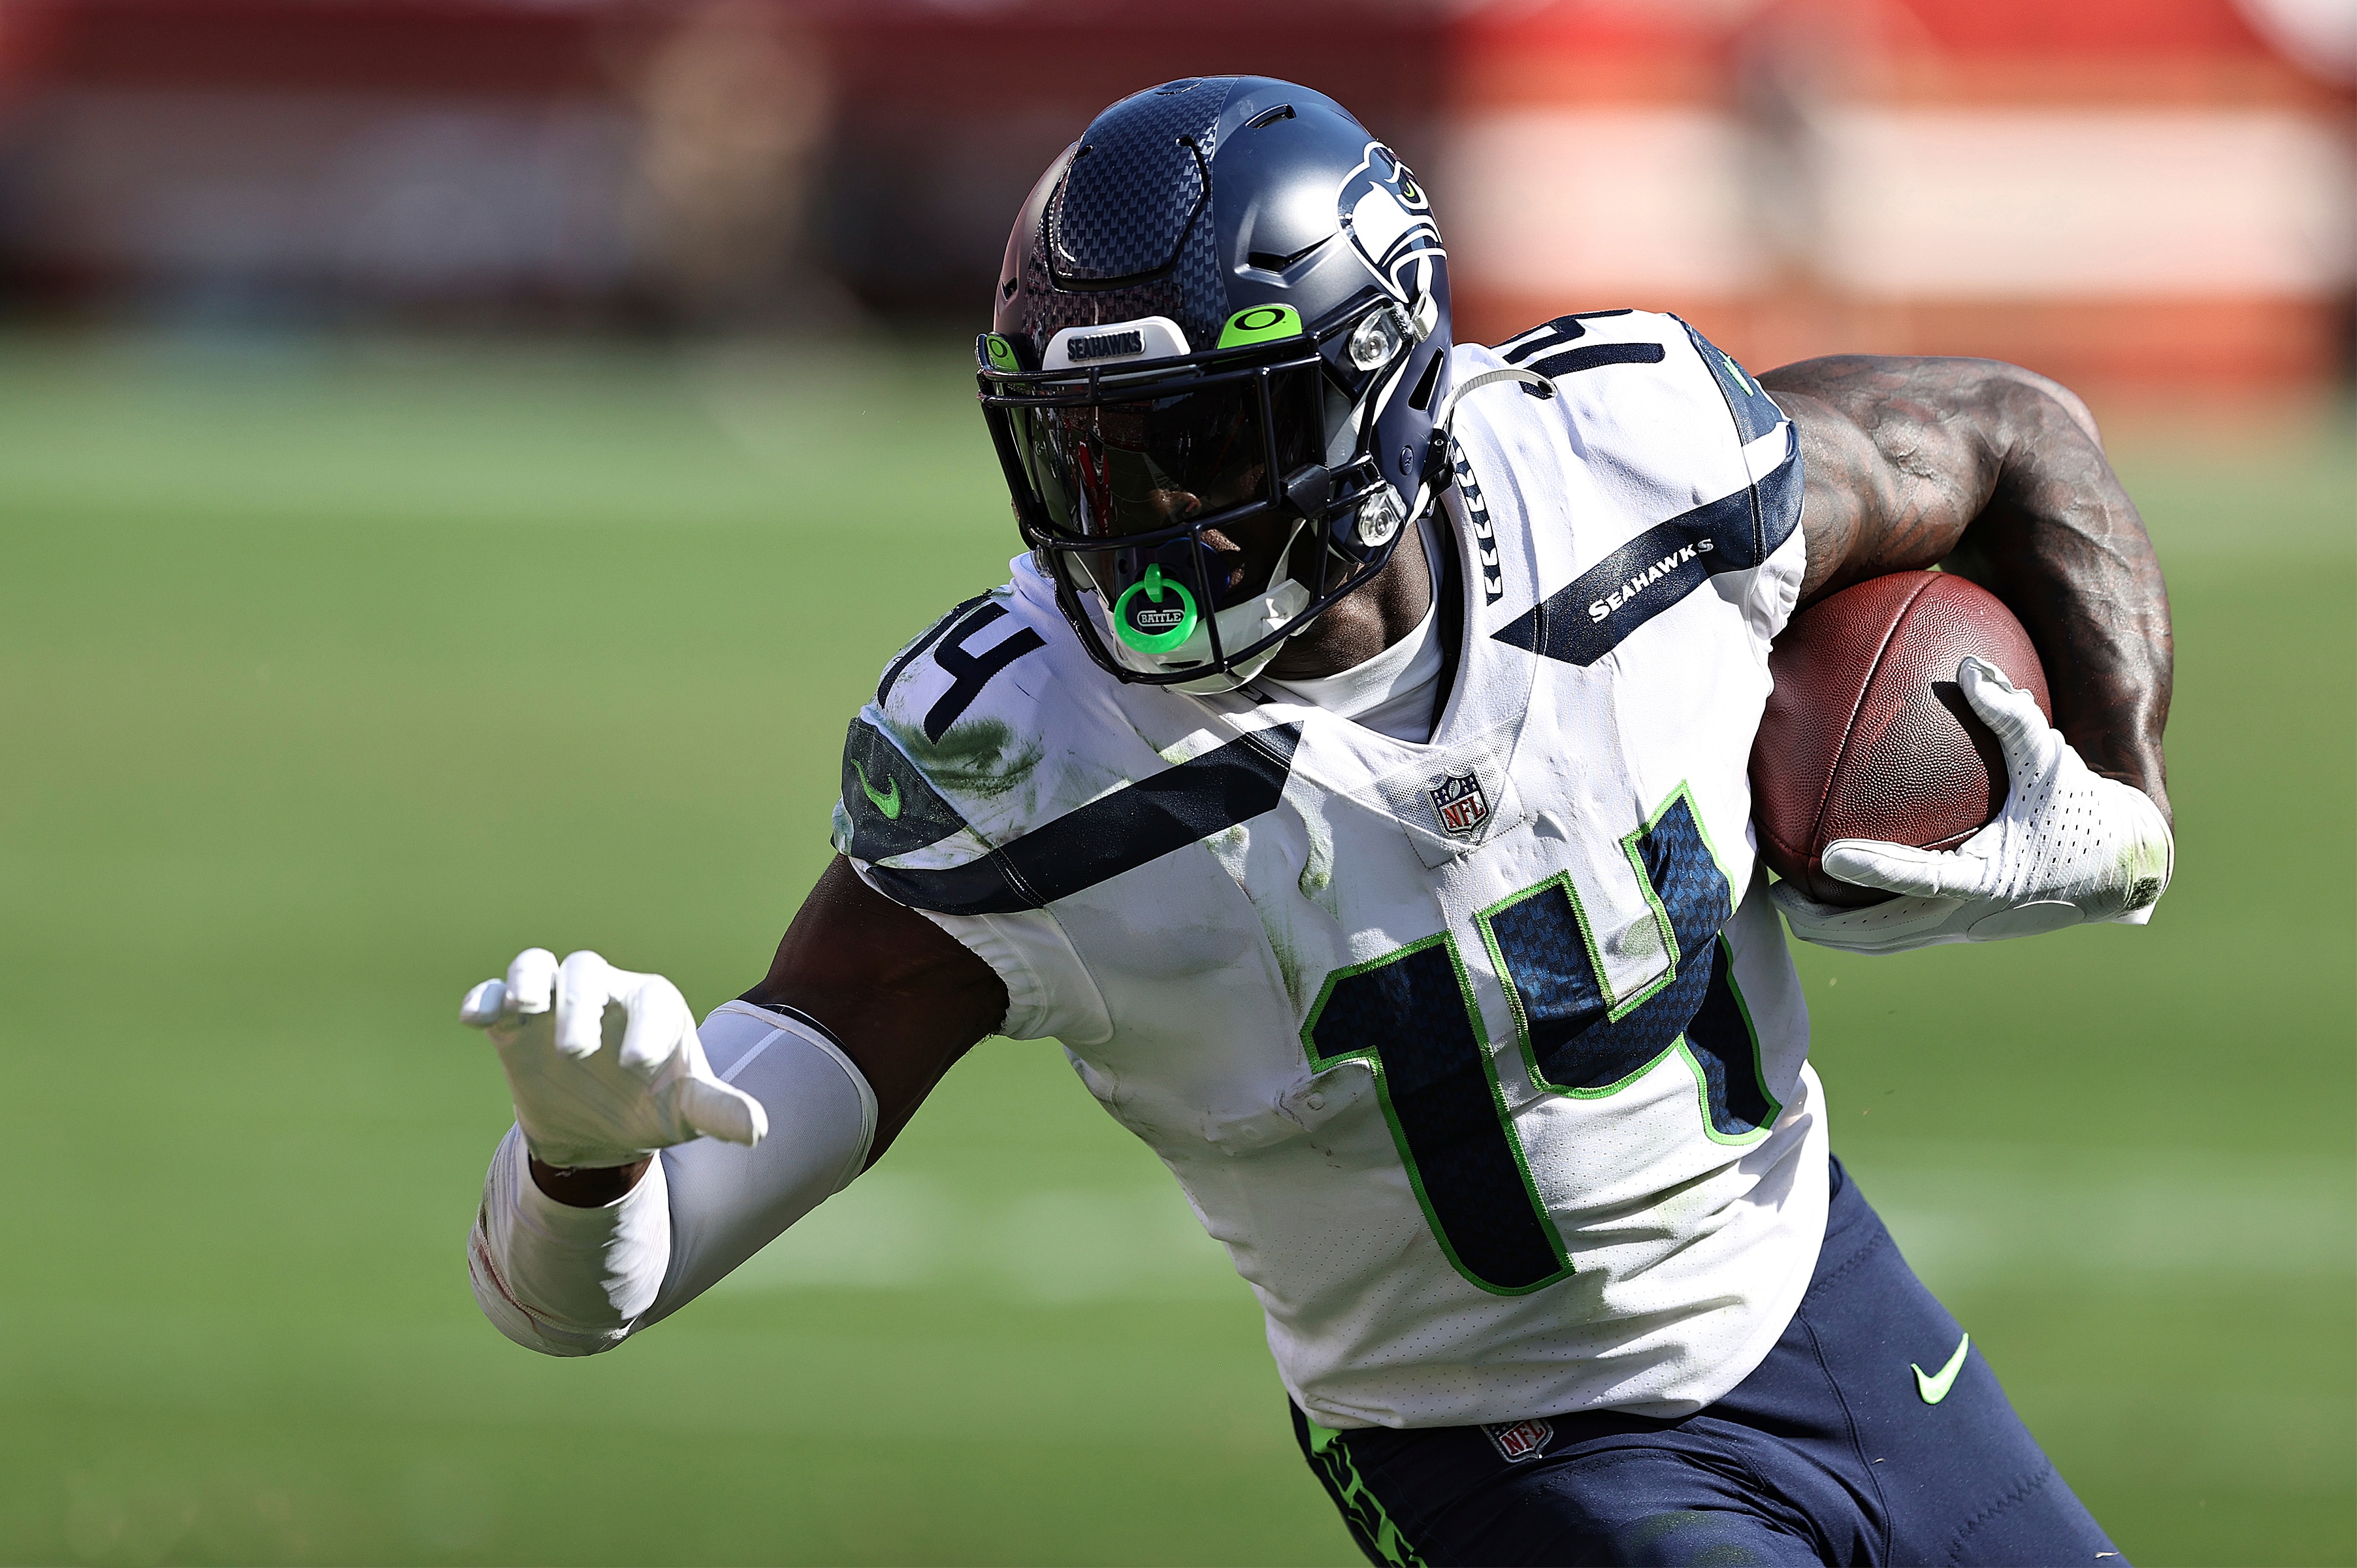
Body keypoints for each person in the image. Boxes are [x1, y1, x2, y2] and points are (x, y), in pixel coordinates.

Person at [458, 77, 2172, 1567]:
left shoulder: (1625, 476)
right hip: (1487, 1445)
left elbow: (2025, 436)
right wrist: (583, 1154)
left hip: (1823, 1302)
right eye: (1092, 460)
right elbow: (585, 1295)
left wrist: (2126, 798)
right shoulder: (1028, 773)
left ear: (1379, 382)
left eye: (1205, 442)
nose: (1145, 531)